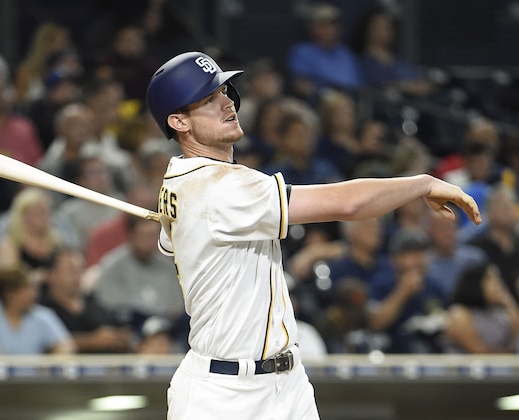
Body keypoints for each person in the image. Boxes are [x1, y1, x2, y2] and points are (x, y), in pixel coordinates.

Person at [145, 51, 481, 419]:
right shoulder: (219, 186)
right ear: (179, 121)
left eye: (225, 92)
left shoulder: (179, 182)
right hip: (225, 396)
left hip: (286, 385)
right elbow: (347, 205)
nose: (227, 103)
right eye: (209, 100)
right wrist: (421, 182)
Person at [0, 266, 74, 355]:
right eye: (27, 290)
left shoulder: (42, 315)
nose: (33, 295)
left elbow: (66, 346)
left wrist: (49, 368)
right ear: (10, 293)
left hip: (32, 379)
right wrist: (3, 367)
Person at [41, 247, 130, 353]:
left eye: (80, 269)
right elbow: (45, 342)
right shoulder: (42, 310)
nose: (77, 275)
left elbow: (116, 330)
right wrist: (91, 341)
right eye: (70, 270)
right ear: (51, 275)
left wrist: (119, 337)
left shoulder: (93, 303)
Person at [442, 262, 519, 353]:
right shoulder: (459, 314)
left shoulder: (500, 313)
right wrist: (508, 355)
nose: (499, 286)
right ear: (477, 284)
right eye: (493, 281)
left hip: (501, 363)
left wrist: (509, 303)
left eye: (498, 281)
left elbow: (515, 343)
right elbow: (478, 351)